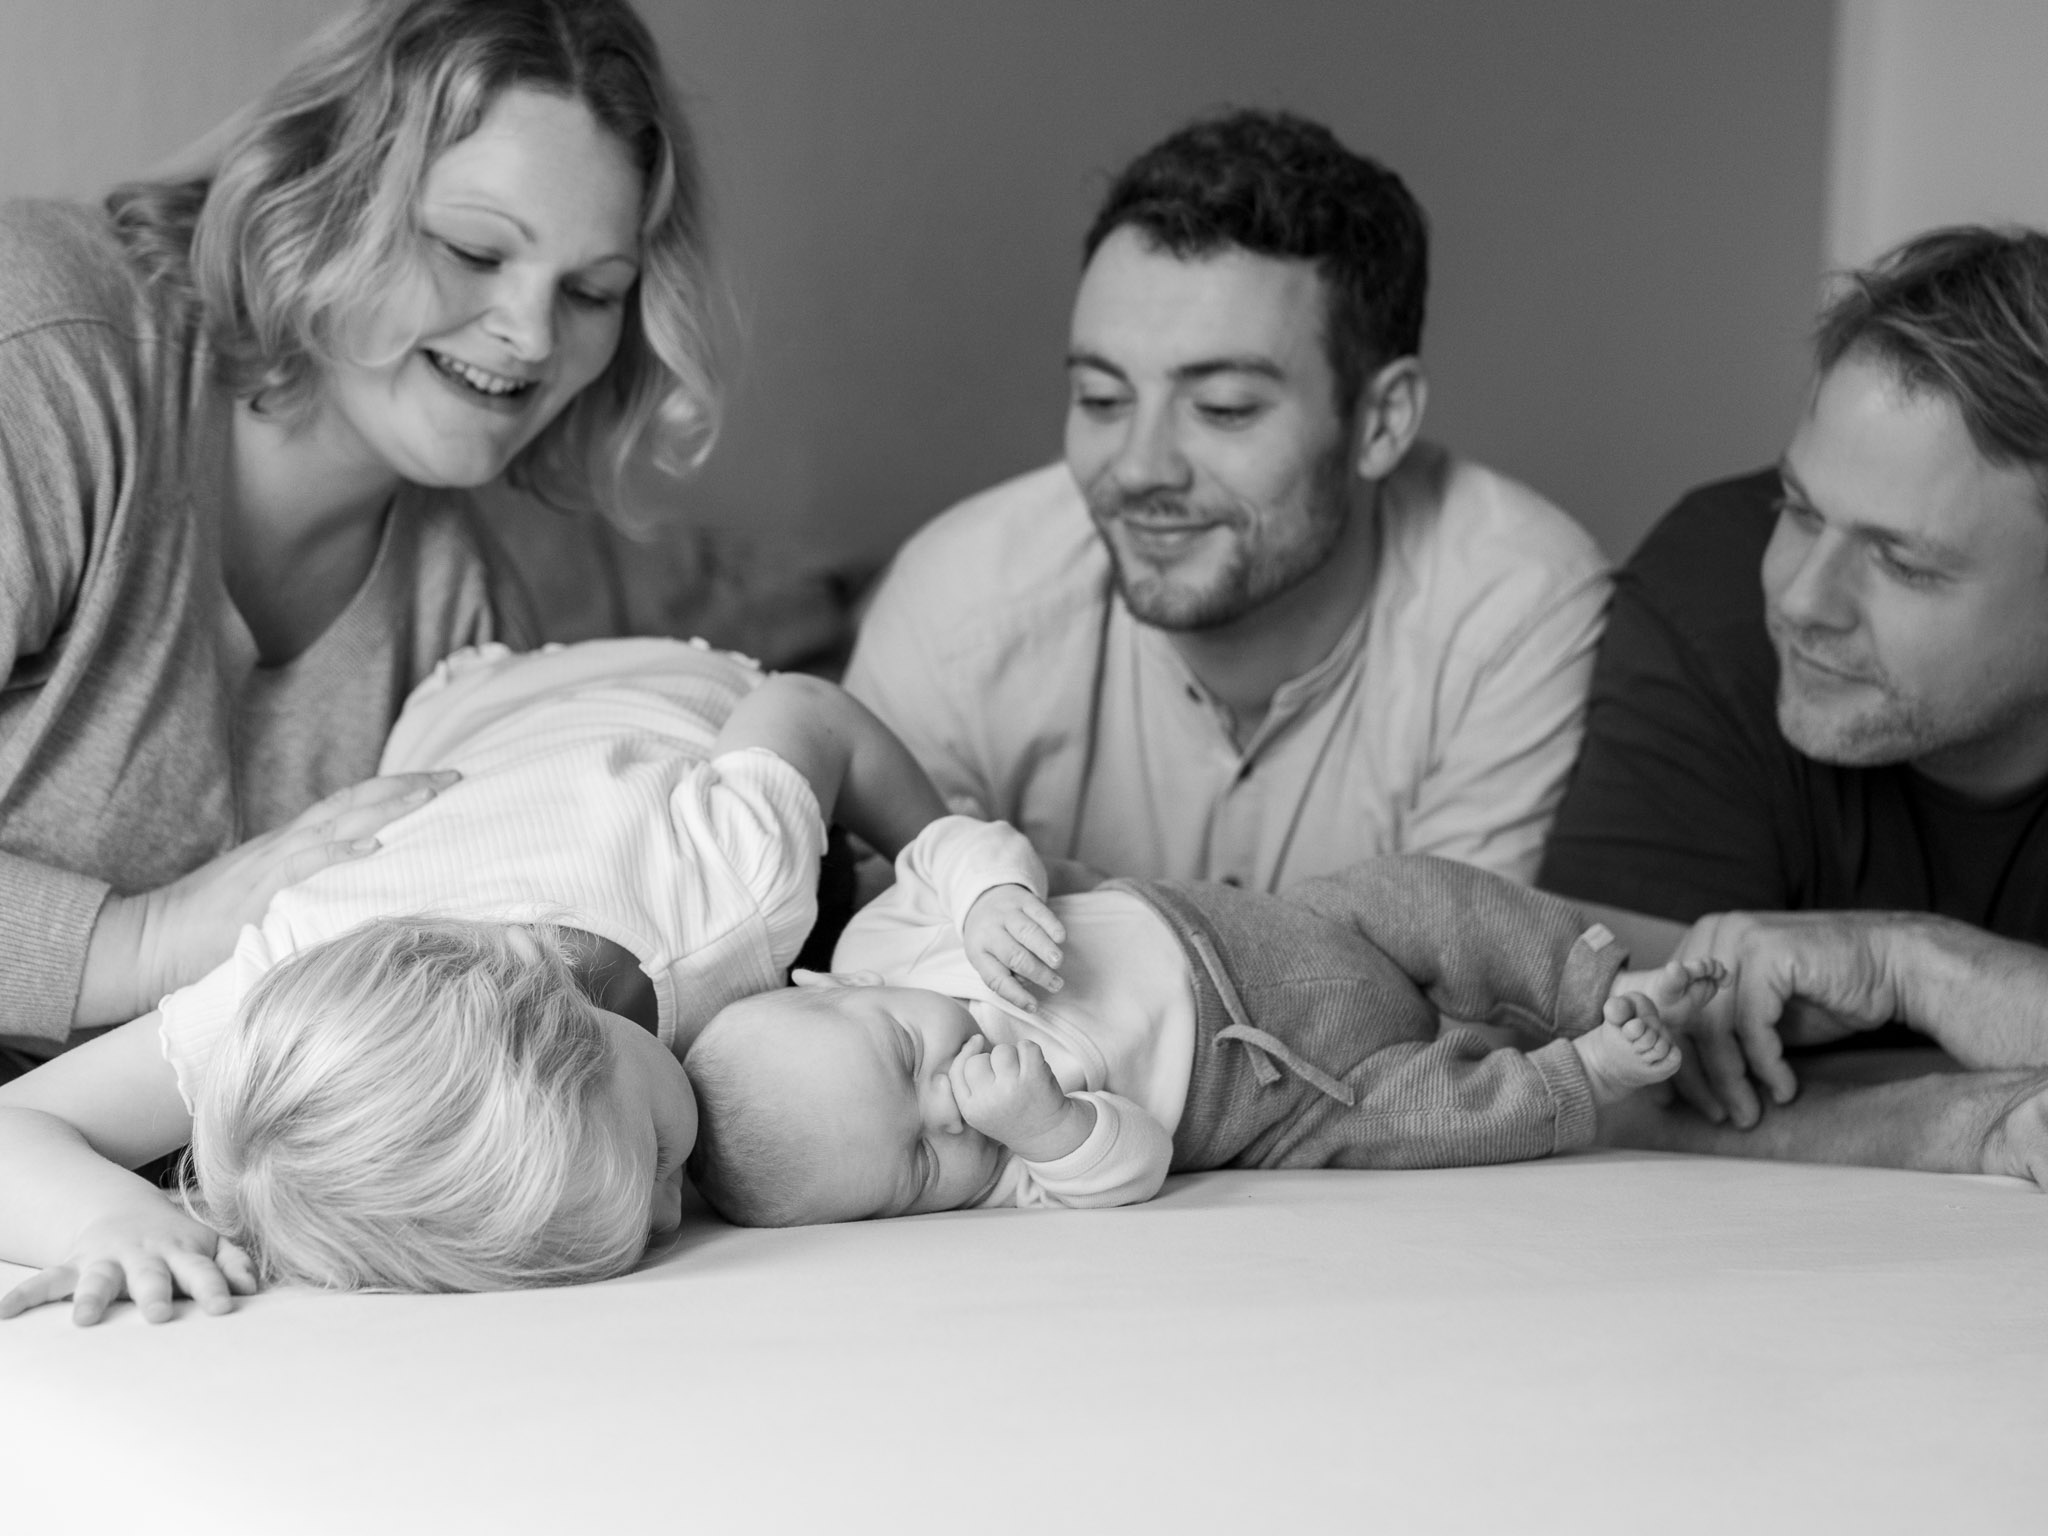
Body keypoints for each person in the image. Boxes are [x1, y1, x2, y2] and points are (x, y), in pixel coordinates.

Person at [0, 0, 720, 1066]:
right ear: (326, 195)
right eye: (475, 250)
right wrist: (144, 940)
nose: (531, 335)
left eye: (590, 291)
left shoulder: (465, 607)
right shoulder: (44, 356)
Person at [0, 639, 945, 1321]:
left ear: (565, 998)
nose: (676, 1206)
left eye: (659, 1154)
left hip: (632, 686)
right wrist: (111, 1217)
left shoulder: (729, 878)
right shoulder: (301, 1037)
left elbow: (813, 711)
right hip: (451, 740)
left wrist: (942, 862)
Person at [843, 109, 1607, 893]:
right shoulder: (957, 608)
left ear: (1381, 422)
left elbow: (1460, 960)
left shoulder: (1515, 611)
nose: (1139, 469)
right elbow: (878, 937)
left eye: (1224, 408)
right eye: (1102, 398)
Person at [1537, 226, 2048, 1139]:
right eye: (1802, 511)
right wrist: (1982, 1114)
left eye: (1903, 564)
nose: (1804, 599)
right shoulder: (1711, 591)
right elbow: (1605, 1084)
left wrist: (1912, 965)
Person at [684, 817, 1721, 1227]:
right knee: (1415, 1123)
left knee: (1422, 896)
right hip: (1279, 1093)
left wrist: (991, 895)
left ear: (835, 986)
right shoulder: (1006, 1169)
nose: (949, 1107)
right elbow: (1131, 1165)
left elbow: (952, 842)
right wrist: (1051, 1128)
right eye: (917, 1162)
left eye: (906, 1055)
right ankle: (1587, 1073)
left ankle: (1597, 977)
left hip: (1259, 932)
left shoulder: (895, 943)